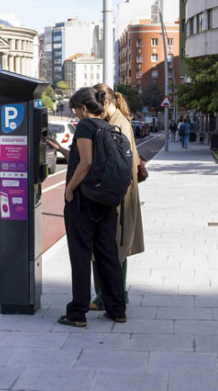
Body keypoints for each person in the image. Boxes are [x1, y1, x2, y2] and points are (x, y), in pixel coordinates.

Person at [56, 87, 127, 328]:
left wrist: (69, 189)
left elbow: (85, 163)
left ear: (84, 108)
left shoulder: (86, 126)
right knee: (108, 255)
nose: (75, 114)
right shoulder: (109, 127)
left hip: (84, 202)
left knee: (80, 255)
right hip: (106, 201)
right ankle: (117, 309)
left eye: (75, 110)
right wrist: (61, 151)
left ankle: (77, 313)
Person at [90, 83, 144, 311]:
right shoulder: (118, 121)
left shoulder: (117, 124)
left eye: (95, 106)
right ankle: (112, 295)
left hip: (116, 196)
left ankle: (109, 296)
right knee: (114, 247)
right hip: (120, 194)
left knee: (111, 247)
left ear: (105, 103)